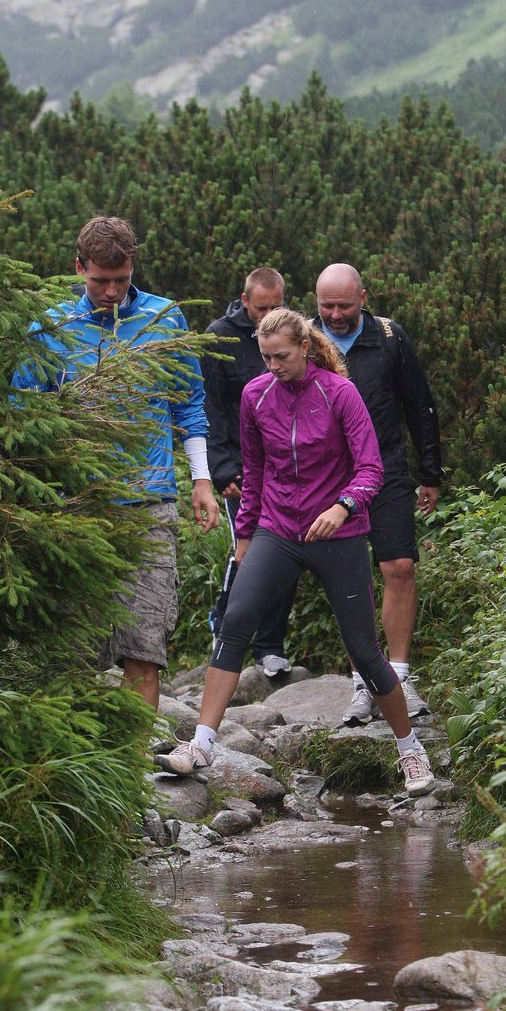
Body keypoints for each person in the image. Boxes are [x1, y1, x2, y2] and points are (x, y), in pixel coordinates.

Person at [159, 309, 435, 796]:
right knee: (235, 621)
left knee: (365, 652)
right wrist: (244, 540)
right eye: (265, 358)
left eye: (281, 357)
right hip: (278, 529)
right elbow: (256, 474)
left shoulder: (340, 393)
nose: (272, 366)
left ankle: (410, 750)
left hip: (338, 534)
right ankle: (200, 744)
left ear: (304, 348)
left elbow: (371, 469)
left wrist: (343, 507)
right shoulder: (255, 395)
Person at [12, 215, 219, 710]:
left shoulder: (164, 318)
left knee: (143, 650)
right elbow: (23, 410)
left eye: (121, 280)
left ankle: (134, 778)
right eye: (99, 280)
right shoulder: (51, 326)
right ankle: (78, 773)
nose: (110, 291)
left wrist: (201, 479)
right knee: (70, 654)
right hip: (75, 505)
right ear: (77, 267)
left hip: (148, 502)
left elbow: (188, 402)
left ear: (133, 267)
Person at [314, 264, 442, 725]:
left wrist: (430, 472)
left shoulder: (390, 337)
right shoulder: (307, 339)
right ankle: (362, 683)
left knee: (399, 566)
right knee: (350, 577)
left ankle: (401, 675)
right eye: (326, 305)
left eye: (344, 305)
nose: (334, 314)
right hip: (330, 477)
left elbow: (419, 404)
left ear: (363, 298)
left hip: (386, 467)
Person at [202, 267, 297, 678]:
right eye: (263, 308)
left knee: (287, 553)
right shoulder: (219, 336)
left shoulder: (296, 334)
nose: (270, 313)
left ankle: (270, 646)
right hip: (239, 467)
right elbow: (209, 407)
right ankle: (226, 632)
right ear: (245, 302)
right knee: (248, 551)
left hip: (286, 467)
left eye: (277, 305)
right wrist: (220, 468)